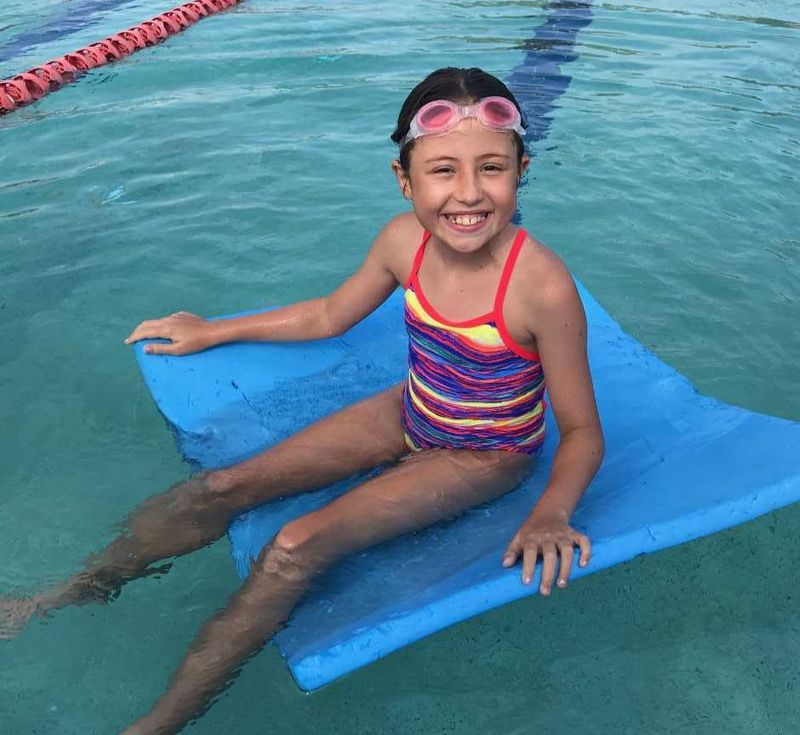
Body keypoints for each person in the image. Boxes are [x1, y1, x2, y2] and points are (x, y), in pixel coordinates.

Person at [1, 67, 604, 734]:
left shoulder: (541, 287)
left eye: (491, 167)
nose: (467, 193)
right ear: (404, 181)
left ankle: (157, 724)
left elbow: (580, 430)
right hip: (412, 409)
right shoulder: (403, 242)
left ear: (521, 169)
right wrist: (214, 328)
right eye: (442, 171)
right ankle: (66, 593)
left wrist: (552, 510)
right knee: (222, 485)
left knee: (294, 545)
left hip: (485, 452)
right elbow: (328, 314)